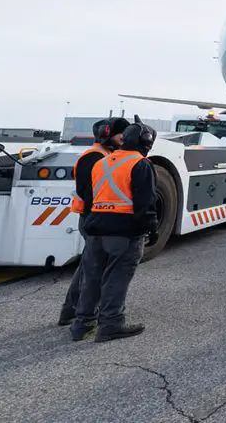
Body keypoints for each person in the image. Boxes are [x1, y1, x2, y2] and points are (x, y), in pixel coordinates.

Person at [71, 119, 158, 342]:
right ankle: (111, 323)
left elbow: (90, 194)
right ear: (145, 142)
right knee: (116, 277)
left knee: (92, 277)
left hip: (95, 227)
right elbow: (145, 203)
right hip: (124, 230)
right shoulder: (140, 164)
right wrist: (151, 229)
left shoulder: (102, 162)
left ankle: (81, 324)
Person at [58, 118, 130, 327]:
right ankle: (78, 312)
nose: (123, 140)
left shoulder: (105, 155)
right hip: (93, 218)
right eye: (120, 135)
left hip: (96, 218)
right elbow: (89, 192)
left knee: (89, 267)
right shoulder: (94, 157)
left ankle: (72, 311)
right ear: (108, 135)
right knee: (92, 269)